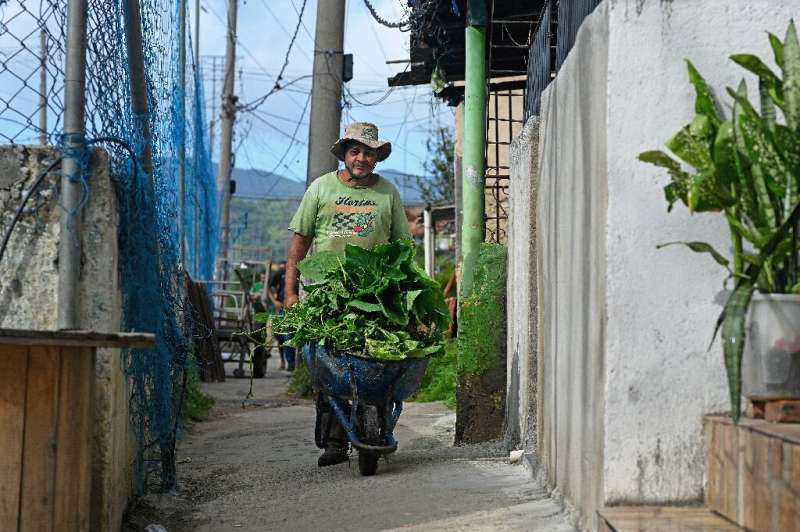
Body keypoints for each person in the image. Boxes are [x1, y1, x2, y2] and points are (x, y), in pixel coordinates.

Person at [284, 122, 411, 467]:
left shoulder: (387, 193)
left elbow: (402, 246)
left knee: (378, 362)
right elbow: (299, 244)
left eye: (368, 152)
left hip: (377, 295)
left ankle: (377, 425)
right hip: (327, 296)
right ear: (345, 155)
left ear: (376, 157)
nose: (361, 158)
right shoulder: (321, 189)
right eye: (355, 151)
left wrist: (408, 291)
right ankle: (335, 441)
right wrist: (291, 292)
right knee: (330, 368)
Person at [267, 260, 295, 371]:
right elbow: (269, 288)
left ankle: (292, 363)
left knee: (289, 335)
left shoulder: (299, 272)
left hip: (294, 308)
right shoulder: (281, 272)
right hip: (282, 308)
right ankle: (288, 362)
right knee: (282, 337)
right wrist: (275, 302)